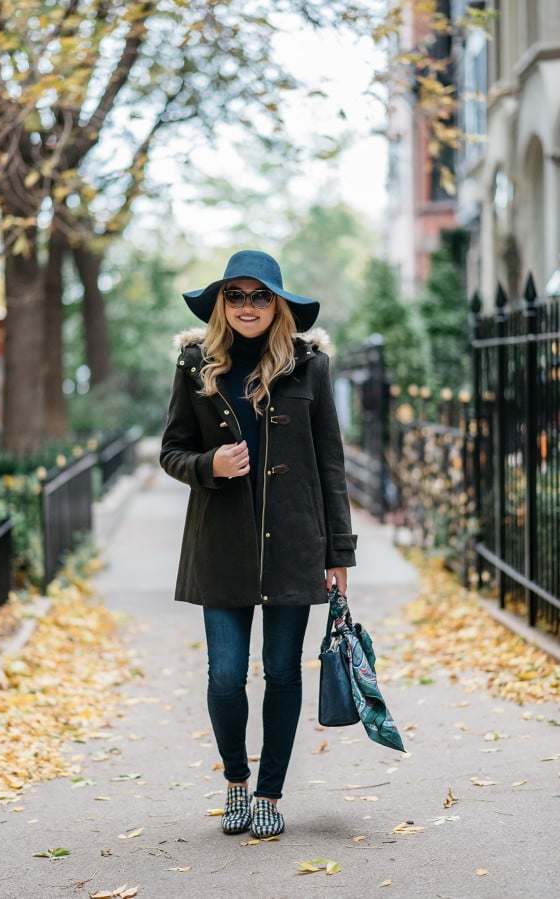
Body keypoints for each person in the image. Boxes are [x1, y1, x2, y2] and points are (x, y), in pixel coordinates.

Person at [160, 250, 357, 838]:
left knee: (281, 673)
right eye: (236, 296)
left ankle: (270, 793)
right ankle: (237, 786)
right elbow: (171, 450)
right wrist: (210, 464)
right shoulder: (195, 364)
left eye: (260, 296)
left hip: (295, 542)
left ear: (278, 305)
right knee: (224, 675)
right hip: (221, 543)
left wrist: (339, 553)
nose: (248, 306)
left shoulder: (309, 366)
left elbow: (332, 466)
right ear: (221, 303)